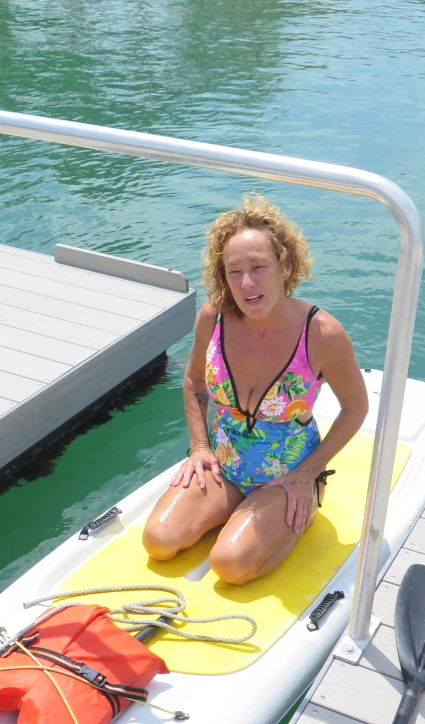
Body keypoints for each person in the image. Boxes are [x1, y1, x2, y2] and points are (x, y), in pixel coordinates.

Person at [142, 194, 369, 585]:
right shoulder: (214, 317)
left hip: (287, 478)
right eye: (234, 271)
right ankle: (235, 514)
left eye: (259, 267)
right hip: (225, 466)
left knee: (229, 564)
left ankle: (294, 516)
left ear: (285, 266)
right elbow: (194, 380)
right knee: (158, 541)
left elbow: (355, 408)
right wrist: (200, 447)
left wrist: (307, 474)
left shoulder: (321, 334)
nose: (247, 283)